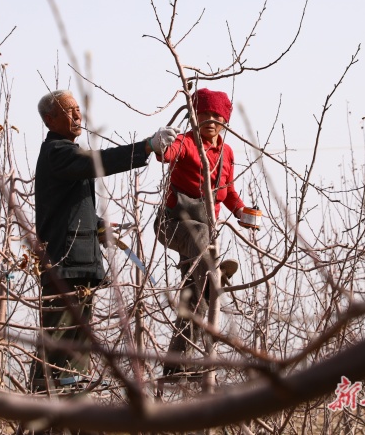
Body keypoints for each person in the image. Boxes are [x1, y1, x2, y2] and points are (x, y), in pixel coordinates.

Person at [33, 89, 177, 389]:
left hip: (81, 265)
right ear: (50, 119)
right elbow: (100, 161)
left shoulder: (66, 155)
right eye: (68, 111)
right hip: (64, 265)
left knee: (78, 351)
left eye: (77, 109)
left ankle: (71, 410)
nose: (77, 116)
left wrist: (97, 226)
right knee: (56, 348)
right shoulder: (57, 153)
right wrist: (147, 147)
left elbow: (69, 209)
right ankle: (41, 409)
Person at [153, 88, 245, 378]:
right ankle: (215, 273)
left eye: (217, 116)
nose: (211, 120)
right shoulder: (187, 142)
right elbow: (167, 153)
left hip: (202, 236)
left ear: (225, 120)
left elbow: (227, 191)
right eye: (205, 114)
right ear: (195, 115)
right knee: (204, 242)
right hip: (173, 225)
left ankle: (176, 364)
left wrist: (242, 212)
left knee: (197, 299)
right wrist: (159, 143)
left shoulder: (227, 152)